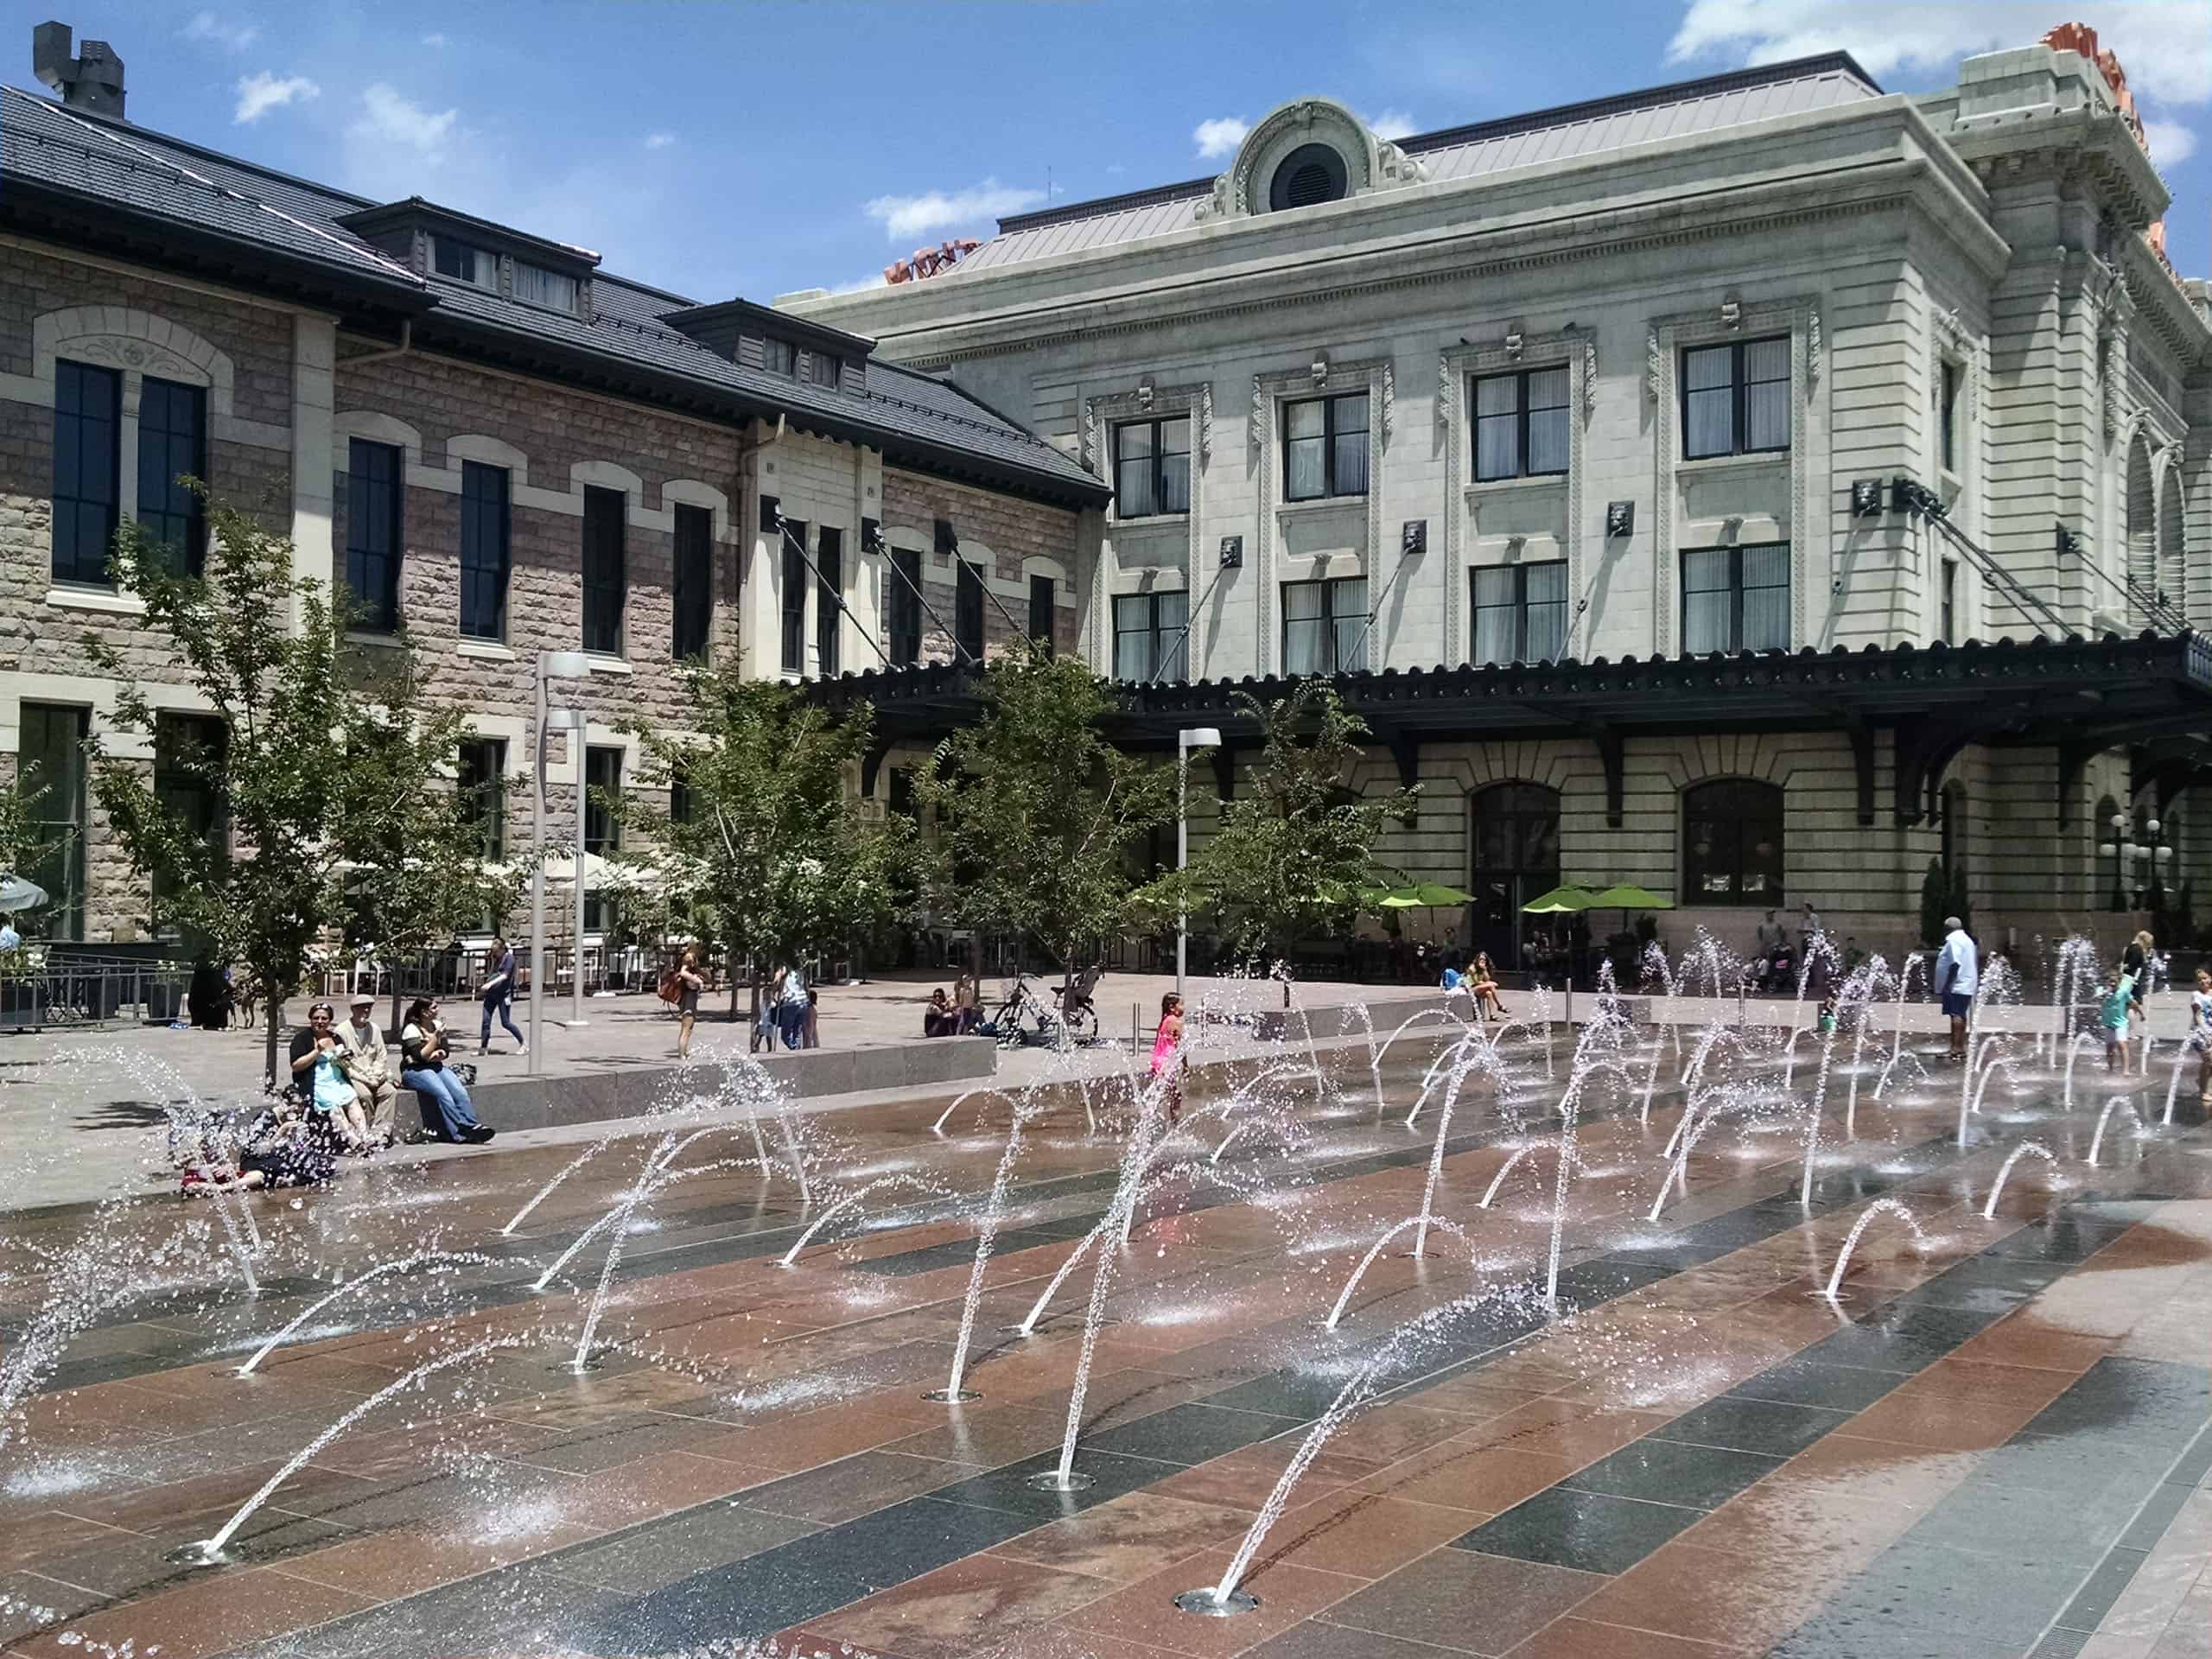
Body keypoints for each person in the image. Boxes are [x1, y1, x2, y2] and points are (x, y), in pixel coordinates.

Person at [400, 996, 494, 1144]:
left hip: (436, 1066)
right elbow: (420, 1056)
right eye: (434, 1008)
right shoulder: (411, 1030)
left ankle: (472, 1125)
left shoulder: (437, 1024)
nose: (438, 1010)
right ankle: (459, 1132)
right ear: (424, 1012)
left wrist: (438, 1052)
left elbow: (445, 1050)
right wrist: (435, 1038)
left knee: (459, 1092)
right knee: (444, 1095)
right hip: (414, 1071)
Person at [287, 1001, 372, 1152]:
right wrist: (317, 1051)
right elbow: (296, 1066)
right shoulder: (302, 1038)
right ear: (311, 1019)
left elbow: (343, 1061)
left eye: (324, 1019)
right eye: (316, 1018)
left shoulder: (336, 1037)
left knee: (352, 1099)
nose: (319, 1022)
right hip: (317, 1083)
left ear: (330, 1021)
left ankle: (364, 1137)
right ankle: (354, 1142)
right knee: (333, 1105)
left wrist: (345, 1058)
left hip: (337, 1080)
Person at [339, 992, 399, 1147]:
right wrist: (365, 1079)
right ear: (353, 1010)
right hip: (354, 1076)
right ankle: (364, 1133)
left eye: (368, 1008)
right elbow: (343, 1064)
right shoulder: (342, 1031)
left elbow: (381, 1055)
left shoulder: (375, 1029)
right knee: (364, 1095)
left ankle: (381, 1133)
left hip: (374, 1075)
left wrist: (377, 1074)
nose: (365, 1011)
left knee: (389, 1092)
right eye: (361, 1008)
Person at [1934, 914, 1978, 1061]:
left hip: (1957, 984)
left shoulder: (1954, 940)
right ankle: (1960, 1048)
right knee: (1961, 1014)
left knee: (1955, 1015)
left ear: (1947, 929)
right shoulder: (1967, 939)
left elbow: (1955, 962)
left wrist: (1948, 983)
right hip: (1967, 981)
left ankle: (1955, 1049)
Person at [477, 936, 526, 1056]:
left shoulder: (509, 958)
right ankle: (483, 1047)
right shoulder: (496, 958)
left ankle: (523, 1043)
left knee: (506, 1022)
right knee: (486, 1021)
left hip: (503, 994)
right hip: (491, 994)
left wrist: (489, 984)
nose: (495, 954)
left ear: (502, 949)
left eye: (496, 952)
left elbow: (504, 975)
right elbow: (493, 973)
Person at [1151, 990, 1185, 1126]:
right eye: (1181, 1004)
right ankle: (1175, 1125)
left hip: (1157, 1062)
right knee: (1175, 1097)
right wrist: (1186, 1065)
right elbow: (1181, 1046)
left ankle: (1150, 1121)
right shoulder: (1176, 1022)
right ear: (1172, 1007)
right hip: (1166, 1064)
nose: (1184, 1007)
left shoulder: (1165, 1019)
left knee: (1161, 1095)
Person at [2101, 973, 2143, 1076]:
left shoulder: (2123, 992)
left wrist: (2141, 1014)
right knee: (2109, 1047)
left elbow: (2134, 1003)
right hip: (2108, 1023)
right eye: (2110, 982)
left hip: (2121, 1023)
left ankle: (2126, 1070)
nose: (2112, 984)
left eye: (2114, 982)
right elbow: (2095, 997)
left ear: (2119, 983)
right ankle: (2110, 1068)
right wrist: (2105, 993)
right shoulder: (2103, 991)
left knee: (2121, 1043)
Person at [672, 946, 705, 1059]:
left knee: (688, 1028)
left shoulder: (690, 957)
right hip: (688, 996)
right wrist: (698, 981)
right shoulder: (689, 957)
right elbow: (683, 972)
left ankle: (684, 1052)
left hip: (688, 995)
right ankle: (682, 1055)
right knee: (686, 1027)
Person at [2189, 966, 2212, 1107]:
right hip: (2200, 1033)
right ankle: (2204, 1091)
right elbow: (2197, 1016)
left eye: (2205, 978)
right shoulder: (2196, 995)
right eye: (2199, 980)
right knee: (2209, 1061)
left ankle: (2203, 1083)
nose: (2203, 981)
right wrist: (2207, 1034)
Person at [1466, 951, 1509, 1021]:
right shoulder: (1472, 968)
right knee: (1491, 986)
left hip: (1478, 989)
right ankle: (1499, 1006)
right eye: (1480, 959)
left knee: (1489, 993)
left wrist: (1484, 970)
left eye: (1484, 959)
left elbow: (1487, 979)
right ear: (1477, 959)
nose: (1482, 961)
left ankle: (1492, 1015)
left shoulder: (1482, 968)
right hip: (1470, 989)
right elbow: (1475, 982)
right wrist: (1490, 983)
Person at [775, 962, 808, 1051]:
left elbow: (776, 982)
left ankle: (794, 1048)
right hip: (803, 1001)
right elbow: (806, 986)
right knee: (797, 1032)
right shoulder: (800, 971)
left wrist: (774, 992)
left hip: (791, 1003)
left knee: (785, 1035)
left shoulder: (783, 968)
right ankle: (797, 1049)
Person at [952, 970, 981, 1036]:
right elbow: (961, 1000)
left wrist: (974, 1005)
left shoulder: (970, 990)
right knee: (962, 1022)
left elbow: (971, 999)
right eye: (966, 981)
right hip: (964, 1008)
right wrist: (960, 1007)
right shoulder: (962, 990)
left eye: (969, 981)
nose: (968, 983)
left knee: (967, 1022)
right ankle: (957, 1034)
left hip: (969, 1007)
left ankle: (965, 1034)